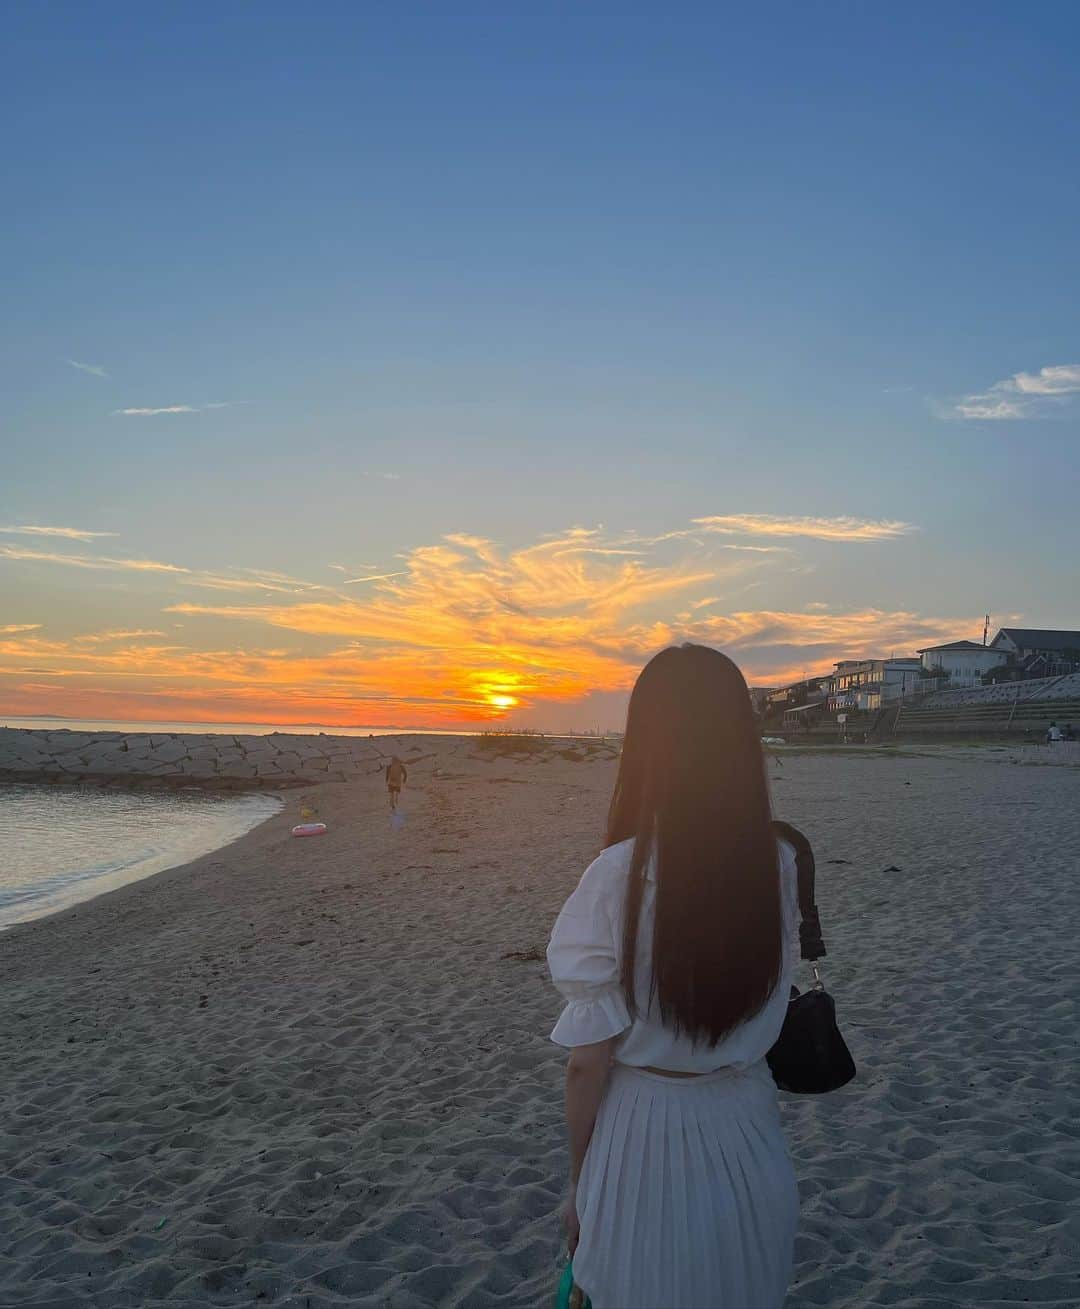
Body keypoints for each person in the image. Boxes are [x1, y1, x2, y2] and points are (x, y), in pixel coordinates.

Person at [547, 644, 800, 1309]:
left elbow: (585, 1066)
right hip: (749, 1133)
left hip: (642, 1143)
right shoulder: (778, 865)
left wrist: (579, 1183)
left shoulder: (617, 878)